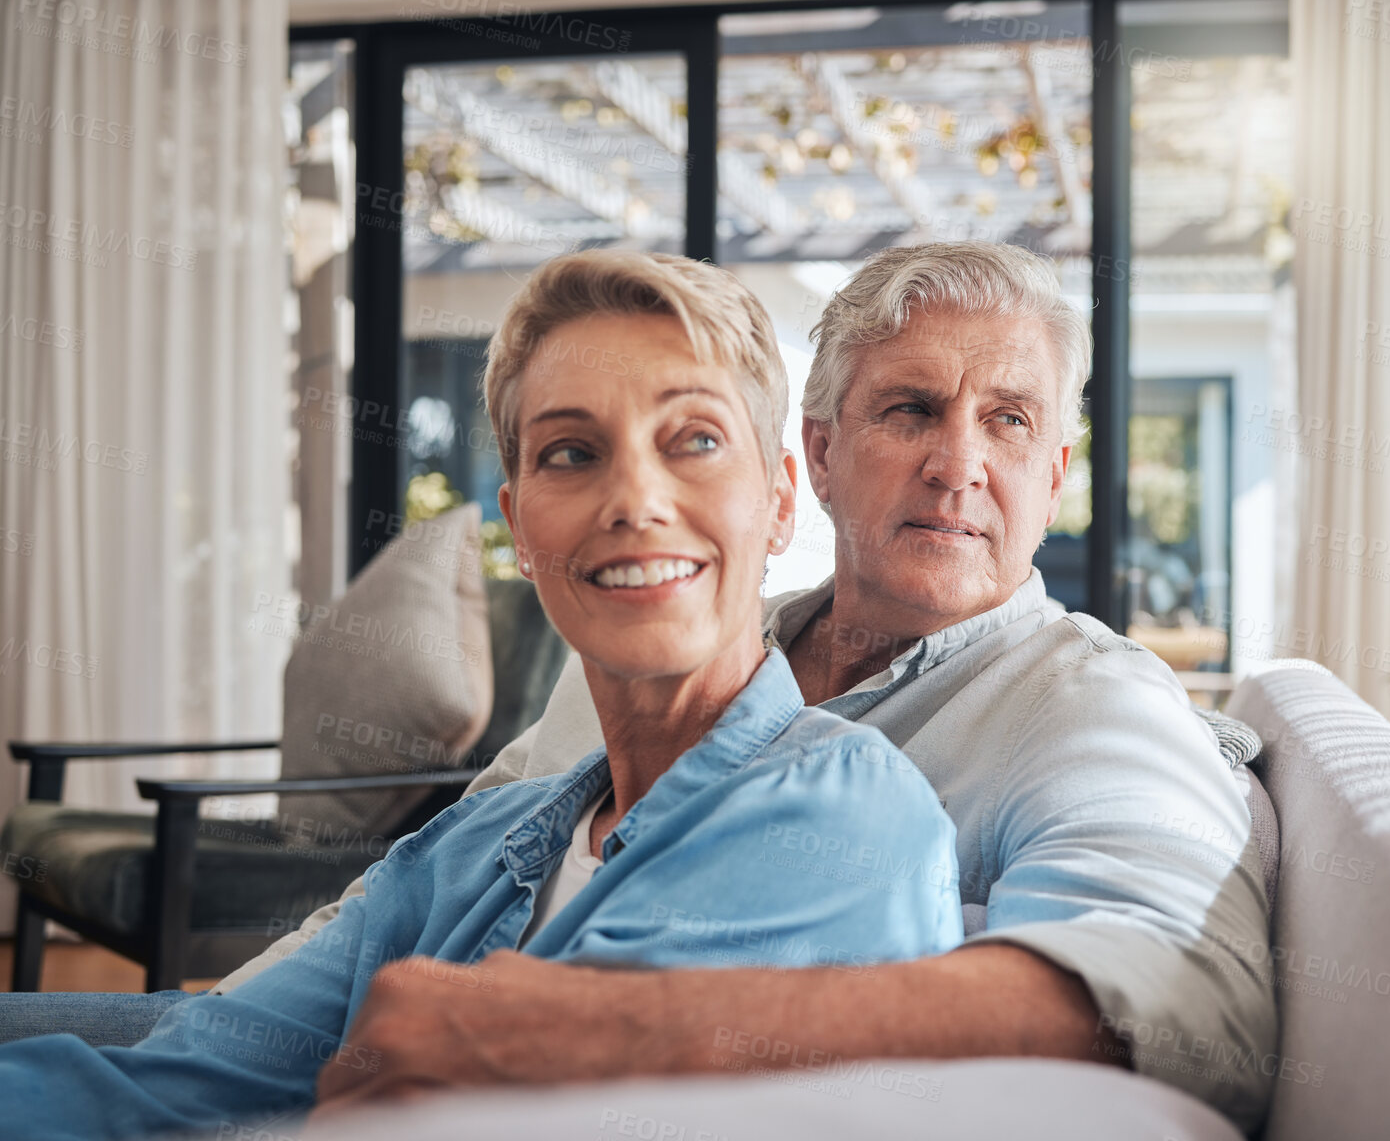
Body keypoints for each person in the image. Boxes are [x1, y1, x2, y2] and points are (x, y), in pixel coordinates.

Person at [226, 241, 1279, 1132]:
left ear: (1054, 476)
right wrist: (223, 1021)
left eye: (1008, 421)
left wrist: (595, 1031)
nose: (958, 464)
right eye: (911, 409)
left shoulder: (1094, 702)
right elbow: (432, 887)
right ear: (816, 459)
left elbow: (1181, 1006)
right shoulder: (666, 630)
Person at [0, 252, 965, 1139]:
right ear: (518, 523)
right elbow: (178, 1078)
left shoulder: (842, 810)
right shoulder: (461, 850)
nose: (633, 500)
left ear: (782, 498)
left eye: (695, 440)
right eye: (570, 454)